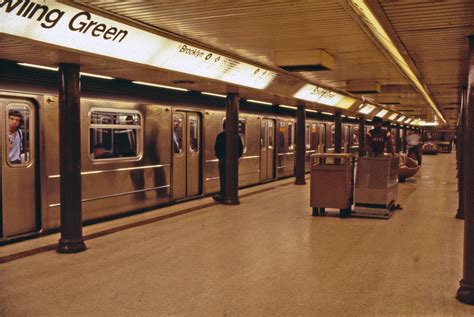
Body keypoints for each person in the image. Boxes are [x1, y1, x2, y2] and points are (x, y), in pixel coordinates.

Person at [213, 121, 243, 201]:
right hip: (233, 162)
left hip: (222, 161)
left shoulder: (220, 136)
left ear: (223, 127)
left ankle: (222, 194)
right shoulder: (237, 137)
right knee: (233, 178)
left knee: (223, 179)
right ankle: (232, 193)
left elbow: (216, 149)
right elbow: (240, 150)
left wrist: (221, 158)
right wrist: (235, 158)